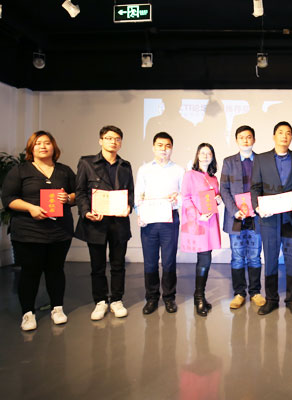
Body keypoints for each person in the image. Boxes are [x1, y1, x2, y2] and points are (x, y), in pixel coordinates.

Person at [1, 131, 76, 331]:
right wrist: (30, 208)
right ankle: (28, 313)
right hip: (28, 232)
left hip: (60, 232)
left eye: (47, 143)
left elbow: (78, 193)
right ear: (31, 148)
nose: (43, 146)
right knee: (30, 273)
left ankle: (57, 308)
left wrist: (68, 198)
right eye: (38, 143)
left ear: (54, 147)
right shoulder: (20, 170)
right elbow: (8, 199)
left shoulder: (64, 171)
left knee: (56, 271)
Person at [75, 125, 134, 321]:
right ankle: (100, 301)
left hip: (119, 223)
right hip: (96, 223)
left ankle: (116, 300)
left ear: (121, 143)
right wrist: (86, 212)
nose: (113, 142)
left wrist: (129, 207)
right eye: (109, 138)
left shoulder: (125, 166)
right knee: (97, 266)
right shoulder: (87, 163)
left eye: (117, 139)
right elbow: (80, 192)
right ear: (101, 140)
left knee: (118, 265)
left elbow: (130, 193)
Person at [250, 121, 292, 316]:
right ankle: (271, 300)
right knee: (271, 259)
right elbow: (255, 187)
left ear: (291, 137)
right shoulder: (261, 159)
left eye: (288, 133)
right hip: (269, 219)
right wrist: (258, 207)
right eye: (281, 132)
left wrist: (288, 202)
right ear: (274, 136)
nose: (284, 136)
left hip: (291, 219)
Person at [135, 132, 185, 315]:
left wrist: (177, 198)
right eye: (160, 145)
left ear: (172, 148)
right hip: (149, 220)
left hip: (169, 220)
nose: (164, 149)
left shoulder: (179, 170)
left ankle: (169, 298)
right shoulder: (144, 170)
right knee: (150, 262)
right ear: (153, 147)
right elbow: (138, 195)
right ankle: (152, 298)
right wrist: (139, 214)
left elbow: (184, 196)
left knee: (169, 261)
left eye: (167, 145)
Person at [220, 125, 266, 309]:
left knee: (255, 256)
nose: (245, 140)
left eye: (248, 137)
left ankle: (255, 292)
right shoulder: (228, 162)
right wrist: (234, 210)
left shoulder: (262, 161)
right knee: (237, 257)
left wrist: (260, 207)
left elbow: (266, 187)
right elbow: (224, 189)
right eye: (242, 137)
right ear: (236, 140)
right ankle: (239, 293)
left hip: (256, 216)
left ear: (254, 139)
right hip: (236, 217)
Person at [180, 143, 222, 317]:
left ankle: (200, 295)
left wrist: (218, 199)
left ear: (213, 157)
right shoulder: (190, 175)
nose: (205, 156)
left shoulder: (213, 178)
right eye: (202, 153)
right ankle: (198, 297)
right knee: (203, 259)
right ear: (197, 155)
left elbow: (214, 198)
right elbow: (186, 198)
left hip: (210, 222)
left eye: (209, 153)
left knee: (206, 258)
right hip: (198, 221)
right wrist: (198, 216)